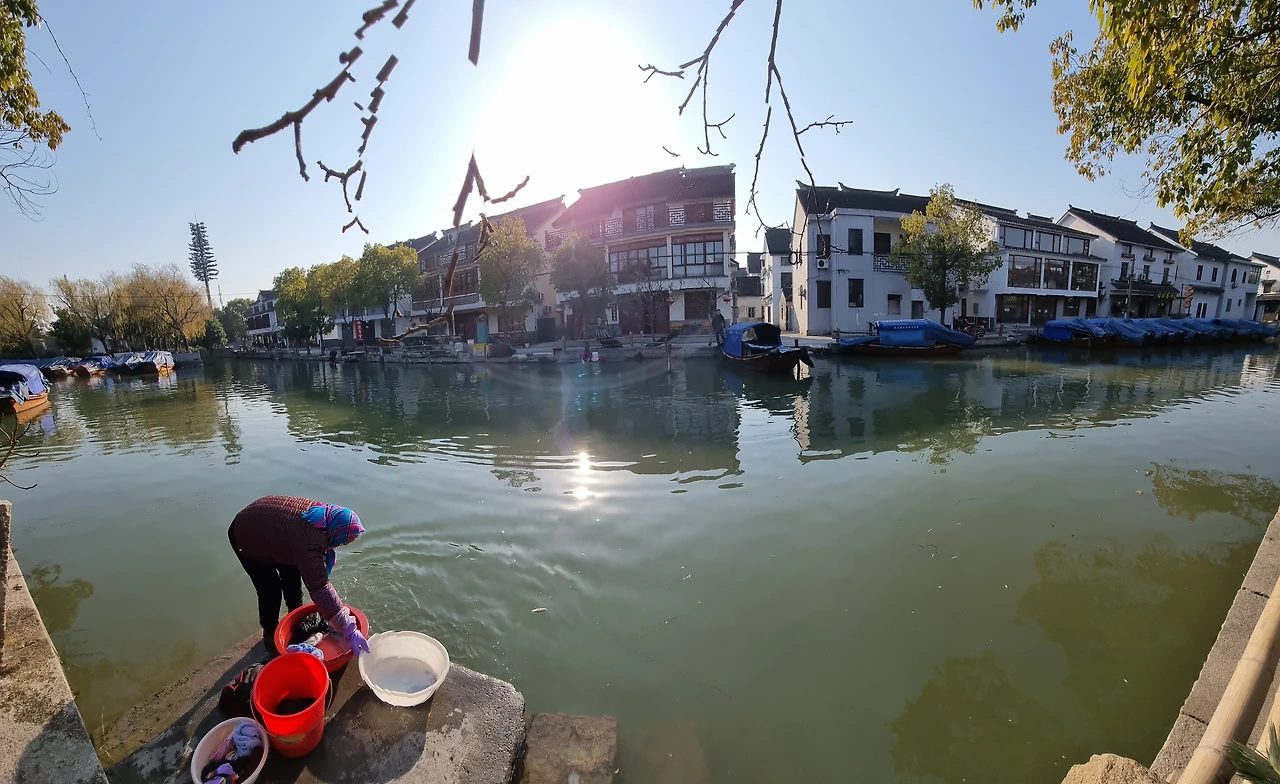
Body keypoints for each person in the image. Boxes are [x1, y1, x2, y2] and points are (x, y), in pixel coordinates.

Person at [228, 496, 370, 658]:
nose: (340, 545)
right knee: (270, 590)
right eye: (343, 541)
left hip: (276, 533)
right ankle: (270, 634)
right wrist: (347, 627)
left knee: (291, 574)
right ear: (338, 532)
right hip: (246, 536)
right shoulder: (310, 540)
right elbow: (319, 586)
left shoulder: (324, 517)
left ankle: (295, 619)